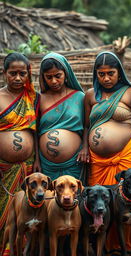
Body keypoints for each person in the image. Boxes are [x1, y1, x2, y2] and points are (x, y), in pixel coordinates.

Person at [79, 51, 131, 254]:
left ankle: (124, 246)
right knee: (99, 201)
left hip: (126, 156)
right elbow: (85, 126)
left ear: (119, 72)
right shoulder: (91, 95)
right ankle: (103, 246)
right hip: (98, 160)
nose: (106, 78)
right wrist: (85, 147)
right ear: (96, 74)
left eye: (111, 73)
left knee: (123, 203)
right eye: (101, 74)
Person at [0, 52, 39, 249]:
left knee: (24, 212)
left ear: (28, 74)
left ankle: (19, 250)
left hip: (27, 169)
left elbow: (38, 131)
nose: (17, 78)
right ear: (4, 72)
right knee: (3, 212)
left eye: (22, 73)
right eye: (12, 73)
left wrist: (38, 159)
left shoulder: (33, 98)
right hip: (3, 169)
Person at [38, 52, 85, 181]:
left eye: (58, 76)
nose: (54, 81)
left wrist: (85, 148)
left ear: (66, 73)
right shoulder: (39, 99)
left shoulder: (79, 97)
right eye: (49, 77)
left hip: (74, 162)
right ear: (43, 78)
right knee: (49, 198)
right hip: (47, 165)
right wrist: (36, 160)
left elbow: (88, 126)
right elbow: (33, 132)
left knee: (74, 198)